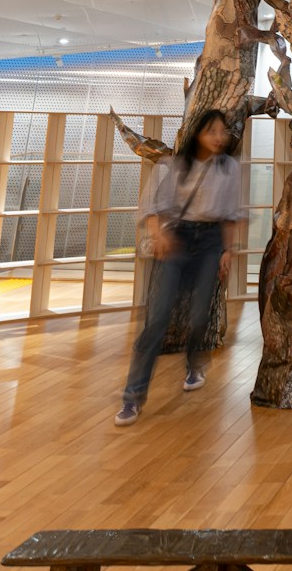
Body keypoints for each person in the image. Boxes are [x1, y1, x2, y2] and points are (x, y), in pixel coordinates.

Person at [115, 108, 247, 426]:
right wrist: (158, 234)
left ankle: (194, 364)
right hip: (176, 239)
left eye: (222, 132)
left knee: (201, 313)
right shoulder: (171, 165)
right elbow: (152, 207)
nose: (219, 137)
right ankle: (132, 398)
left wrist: (227, 251)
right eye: (211, 131)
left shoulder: (229, 168)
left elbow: (230, 213)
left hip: (210, 242)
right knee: (157, 317)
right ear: (197, 135)